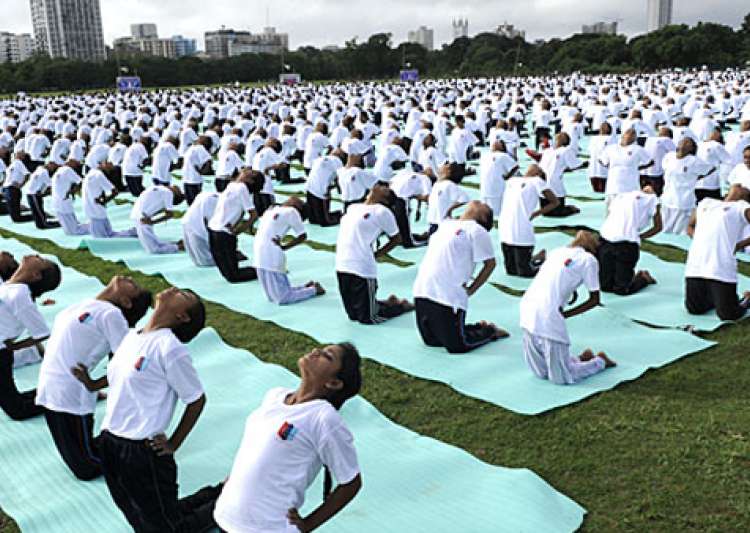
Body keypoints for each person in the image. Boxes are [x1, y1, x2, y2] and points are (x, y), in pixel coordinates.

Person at [97, 286, 221, 532]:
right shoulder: (133, 336)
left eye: (183, 296)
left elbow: (196, 399)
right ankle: (219, 492)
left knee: (167, 528)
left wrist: (173, 443)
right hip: (110, 440)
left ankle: (228, 501)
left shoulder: (170, 348)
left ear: (182, 317)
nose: (173, 289)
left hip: (142, 451)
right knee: (136, 513)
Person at [213, 343, 362, 533]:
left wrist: (308, 524)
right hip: (225, 517)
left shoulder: (323, 418)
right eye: (321, 349)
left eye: (327, 356)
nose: (316, 351)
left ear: (334, 383)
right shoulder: (274, 396)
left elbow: (351, 482)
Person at [35, 276, 152, 480]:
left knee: (85, 467)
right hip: (51, 388)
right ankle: (121, 445)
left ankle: (140, 455)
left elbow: (125, 364)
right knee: (79, 453)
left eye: (133, 286)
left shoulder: (112, 314)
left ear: (126, 301)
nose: (129, 278)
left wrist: (94, 384)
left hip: (70, 395)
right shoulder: (87, 304)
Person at [520, 231, 617, 384]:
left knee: (549, 375)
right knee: (559, 377)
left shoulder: (557, 251)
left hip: (528, 307)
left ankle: (591, 360)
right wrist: (566, 314)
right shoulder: (589, 260)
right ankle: (596, 361)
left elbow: (557, 277)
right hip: (542, 312)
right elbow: (594, 300)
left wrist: (568, 300)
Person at [413, 200, 508, 353]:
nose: (479, 201)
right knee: (431, 341)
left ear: (483, 217)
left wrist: (471, 289)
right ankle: (467, 328)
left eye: (484, 206)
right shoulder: (446, 224)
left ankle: (489, 331)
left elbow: (490, 264)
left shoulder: (477, 231)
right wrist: (452, 206)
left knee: (458, 346)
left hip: (449, 296)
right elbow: (445, 214)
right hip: (423, 290)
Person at [335, 183, 413, 324]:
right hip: (342, 264)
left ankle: (401, 306)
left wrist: (377, 254)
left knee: (369, 318)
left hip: (362, 268)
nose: (382, 186)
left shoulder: (382, 212)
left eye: (386, 188)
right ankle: (388, 303)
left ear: (386, 198)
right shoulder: (353, 207)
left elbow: (396, 238)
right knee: (353, 315)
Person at [0, 255, 61, 420]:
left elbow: (42, 332)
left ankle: (67, 394)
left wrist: (15, 347)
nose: (35, 255)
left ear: (35, 275)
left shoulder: (20, 294)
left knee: (17, 409)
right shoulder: (9, 286)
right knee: (11, 399)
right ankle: (56, 391)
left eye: (40, 260)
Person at [684, 184, 750, 321]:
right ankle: (720, 298)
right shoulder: (706, 202)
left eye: (743, 187)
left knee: (728, 315)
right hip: (697, 264)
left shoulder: (740, 207)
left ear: (744, 196)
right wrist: (701, 239)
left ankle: (747, 298)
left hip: (721, 265)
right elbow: (690, 226)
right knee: (695, 309)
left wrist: (739, 245)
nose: (739, 185)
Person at [253, 197, 325, 305]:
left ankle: (314, 290)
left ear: (298, 206)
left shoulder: (292, 212)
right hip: (259, 255)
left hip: (271, 255)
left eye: (298, 200)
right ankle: (305, 288)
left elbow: (302, 235)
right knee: (271, 296)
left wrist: (285, 246)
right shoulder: (272, 208)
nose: (293, 198)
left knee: (282, 298)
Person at [598, 186, 661, 295]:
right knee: (605, 286)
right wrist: (641, 236)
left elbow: (658, 226)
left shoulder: (652, 200)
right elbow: (658, 227)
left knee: (622, 289)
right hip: (606, 240)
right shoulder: (622, 196)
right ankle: (628, 277)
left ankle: (643, 278)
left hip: (626, 245)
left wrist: (638, 236)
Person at [498, 165, 559, 277]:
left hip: (522, 231)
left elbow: (555, 202)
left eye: (540, 169)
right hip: (505, 231)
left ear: (539, 174)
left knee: (525, 273)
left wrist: (536, 213)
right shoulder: (512, 180)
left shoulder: (536, 181)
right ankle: (537, 257)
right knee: (511, 271)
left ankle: (545, 262)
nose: (535, 166)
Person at [208, 170, 262, 283]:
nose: (245, 171)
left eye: (250, 173)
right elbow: (241, 211)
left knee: (233, 276)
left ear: (250, 180)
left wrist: (238, 230)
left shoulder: (241, 188)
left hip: (223, 233)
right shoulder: (233, 185)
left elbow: (253, 215)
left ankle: (264, 271)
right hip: (215, 230)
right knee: (228, 274)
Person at [660, 138, 714, 235]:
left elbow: (711, 168)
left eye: (687, 142)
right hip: (667, 198)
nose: (684, 142)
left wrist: (696, 177)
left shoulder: (694, 161)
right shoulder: (669, 156)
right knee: (664, 229)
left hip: (684, 201)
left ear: (691, 148)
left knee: (681, 232)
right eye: (682, 141)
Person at [83, 162, 137, 238]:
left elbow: (115, 192)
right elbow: (103, 191)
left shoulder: (98, 175)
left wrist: (104, 201)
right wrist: (103, 200)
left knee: (104, 238)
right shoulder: (94, 173)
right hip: (94, 211)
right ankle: (132, 232)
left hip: (96, 212)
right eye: (109, 163)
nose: (110, 165)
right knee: (109, 235)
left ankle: (132, 232)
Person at [538, 132, 586, 217]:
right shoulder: (555, 150)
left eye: (558, 138)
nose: (556, 139)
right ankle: (568, 208)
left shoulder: (557, 150)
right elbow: (575, 165)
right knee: (551, 213)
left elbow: (574, 165)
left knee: (552, 213)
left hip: (549, 185)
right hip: (548, 185)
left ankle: (568, 208)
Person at [599, 129, 654, 199]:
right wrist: (609, 167)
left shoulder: (637, 149)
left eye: (631, 136)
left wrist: (638, 168)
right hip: (615, 187)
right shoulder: (611, 148)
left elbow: (650, 162)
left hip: (628, 188)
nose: (628, 137)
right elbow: (601, 160)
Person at [130, 184, 185, 254]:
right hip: (140, 217)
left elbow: (169, 214)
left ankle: (180, 246)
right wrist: (152, 222)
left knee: (154, 249)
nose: (177, 188)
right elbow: (169, 214)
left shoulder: (161, 189)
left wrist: (152, 221)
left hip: (141, 217)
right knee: (154, 247)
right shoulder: (167, 192)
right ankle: (179, 245)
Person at [389, 168, 432, 248]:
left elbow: (391, 182)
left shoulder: (406, 171)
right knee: (403, 222)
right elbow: (427, 197)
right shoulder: (425, 179)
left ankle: (401, 239)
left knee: (396, 222)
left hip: (389, 196)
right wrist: (415, 196)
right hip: (402, 198)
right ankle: (409, 242)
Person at [426, 163, 470, 234]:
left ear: (448, 171)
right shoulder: (437, 184)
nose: (441, 166)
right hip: (433, 222)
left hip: (441, 223)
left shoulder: (449, 185)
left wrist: (449, 209)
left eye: (445, 165)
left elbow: (465, 198)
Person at [479, 140, 518, 218]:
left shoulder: (503, 156)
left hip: (497, 187)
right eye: (495, 142)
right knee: (485, 212)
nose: (495, 142)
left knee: (497, 213)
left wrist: (508, 176)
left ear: (502, 146)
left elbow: (515, 167)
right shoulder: (485, 155)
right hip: (485, 187)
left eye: (498, 142)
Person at [306, 151, 345, 226]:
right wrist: (340, 191)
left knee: (313, 220)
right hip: (320, 193)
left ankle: (331, 214)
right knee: (325, 222)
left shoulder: (320, 159)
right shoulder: (338, 161)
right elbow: (339, 179)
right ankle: (337, 215)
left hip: (309, 188)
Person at [182, 191, 220, 267]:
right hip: (195, 226)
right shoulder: (215, 200)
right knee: (206, 262)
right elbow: (211, 223)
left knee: (198, 260)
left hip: (187, 222)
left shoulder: (208, 195)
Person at [51, 161, 89, 236]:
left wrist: (72, 192)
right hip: (59, 201)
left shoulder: (65, 170)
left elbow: (80, 182)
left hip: (63, 201)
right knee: (70, 230)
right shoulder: (65, 170)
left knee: (73, 231)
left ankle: (92, 226)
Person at [25, 162, 61, 229]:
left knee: (38, 210)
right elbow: (50, 185)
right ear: (50, 164)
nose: (53, 169)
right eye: (54, 166)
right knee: (38, 211)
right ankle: (44, 224)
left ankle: (41, 223)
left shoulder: (39, 168)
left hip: (32, 193)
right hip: (33, 194)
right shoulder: (44, 172)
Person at [641, 127, 676, 195]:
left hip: (643, 173)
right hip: (656, 174)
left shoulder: (649, 139)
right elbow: (676, 154)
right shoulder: (666, 140)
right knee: (657, 197)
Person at [182, 136, 213, 205]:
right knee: (189, 202)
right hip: (187, 178)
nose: (198, 138)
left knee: (195, 203)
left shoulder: (200, 148)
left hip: (194, 180)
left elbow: (208, 160)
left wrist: (202, 171)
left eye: (201, 137)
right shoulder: (193, 147)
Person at [3, 151, 33, 222]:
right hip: (8, 189)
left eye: (20, 153)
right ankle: (33, 214)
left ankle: (35, 216)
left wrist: (21, 184)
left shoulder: (18, 163)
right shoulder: (13, 163)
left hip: (12, 189)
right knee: (14, 213)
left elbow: (27, 174)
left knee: (16, 217)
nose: (17, 153)